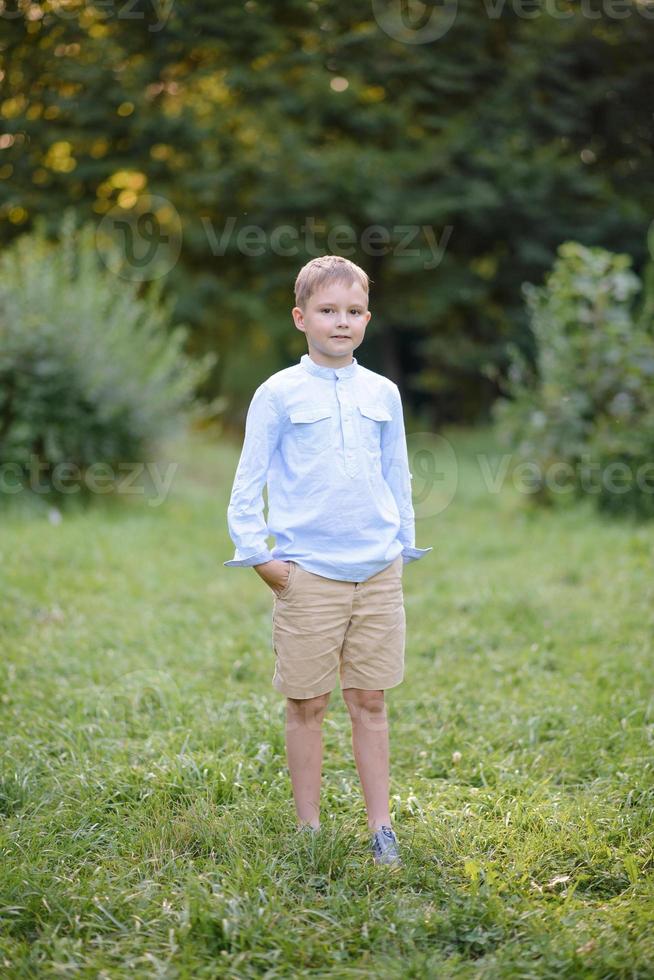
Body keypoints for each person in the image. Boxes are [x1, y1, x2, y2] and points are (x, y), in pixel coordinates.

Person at [224, 254, 432, 867]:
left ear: (367, 318)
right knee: (307, 703)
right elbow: (247, 483)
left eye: (353, 311)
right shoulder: (279, 393)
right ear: (301, 318)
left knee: (370, 700)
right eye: (327, 311)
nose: (341, 322)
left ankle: (380, 827)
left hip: (376, 571)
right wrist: (260, 557)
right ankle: (310, 827)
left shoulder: (382, 393)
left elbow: (398, 473)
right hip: (307, 573)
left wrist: (401, 545)